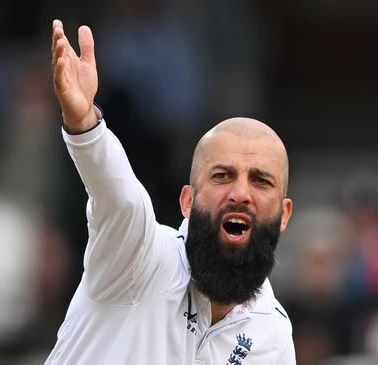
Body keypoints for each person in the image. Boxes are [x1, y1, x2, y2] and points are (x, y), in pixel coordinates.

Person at [46, 20, 296, 364]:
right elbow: (121, 198)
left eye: (260, 180)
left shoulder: (273, 333)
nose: (240, 193)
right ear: (187, 202)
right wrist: (86, 125)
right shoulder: (139, 258)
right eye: (222, 176)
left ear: (284, 214)